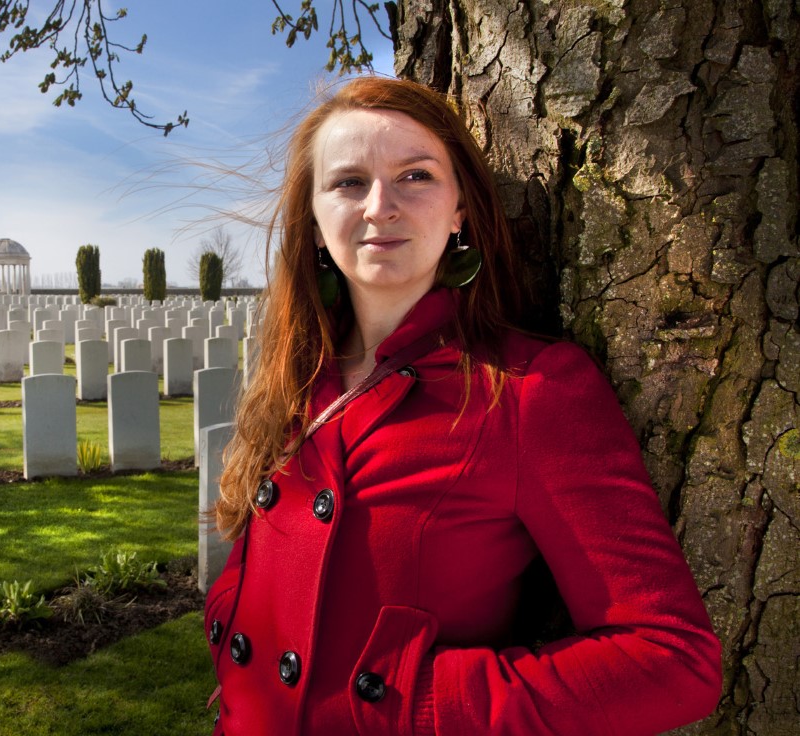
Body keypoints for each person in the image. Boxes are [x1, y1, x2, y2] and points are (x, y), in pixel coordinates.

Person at [203, 76, 722, 735]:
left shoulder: (530, 391)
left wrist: (416, 704)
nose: (380, 206)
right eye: (348, 182)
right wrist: (228, 623)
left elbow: (673, 659)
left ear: (459, 211)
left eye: (415, 176)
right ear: (312, 222)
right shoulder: (298, 379)